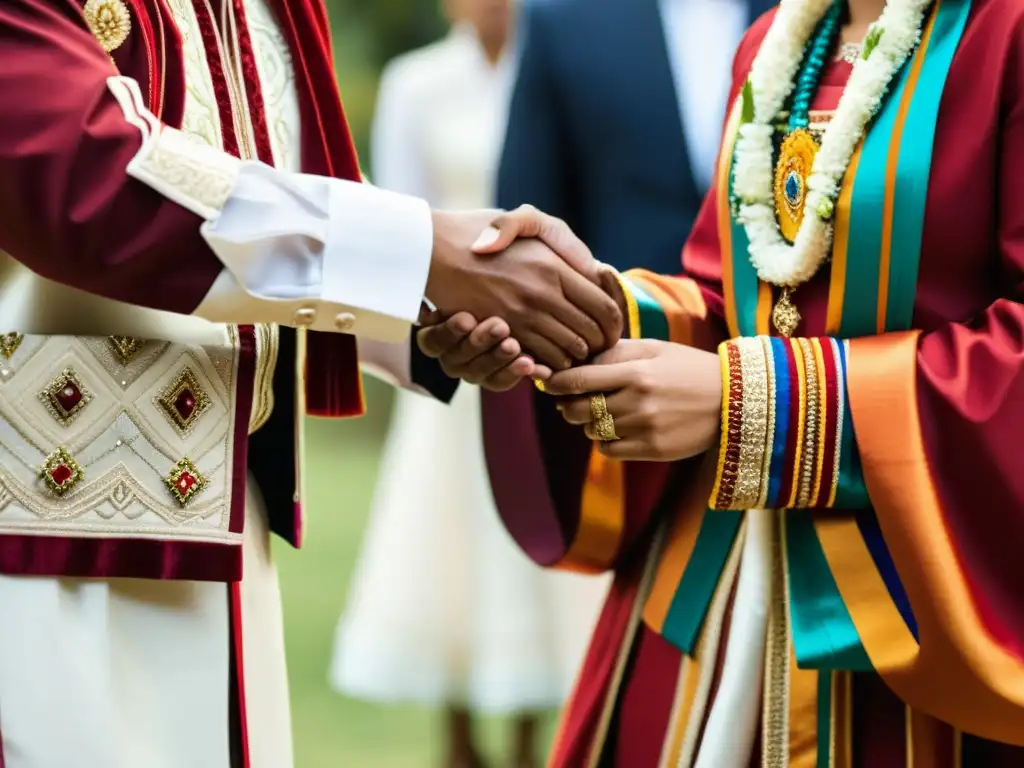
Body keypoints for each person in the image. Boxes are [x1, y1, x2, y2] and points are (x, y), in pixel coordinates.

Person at [0, 1, 621, 766]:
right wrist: (424, 255)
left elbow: (291, 179)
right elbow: (77, 169)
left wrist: (431, 313)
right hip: (29, 559)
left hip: (224, 542)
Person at [420, 0, 1024, 763]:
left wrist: (751, 403)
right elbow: (729, 299)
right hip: (728, 601)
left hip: (915, 627)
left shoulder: (1005, 32)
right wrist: (572, 312)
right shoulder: (778, 43)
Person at [329, 3, 608, 768]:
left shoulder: (563, 63)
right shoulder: (416, 84)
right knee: (448, 539)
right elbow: (394, 214)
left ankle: (529, 738)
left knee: (535, 542)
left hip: (540, 349)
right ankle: (456, 739)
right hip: (448, 350)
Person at [486, 0, 775, 580]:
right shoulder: (563, 21)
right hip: (624, 394)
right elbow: (527, 214)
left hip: (796, 389)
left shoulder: (825, 19)